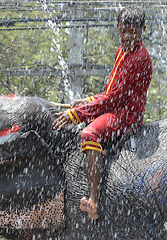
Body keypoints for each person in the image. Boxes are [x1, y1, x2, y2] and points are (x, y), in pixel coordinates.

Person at [52, 6, 152, 220]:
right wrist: (88, 101)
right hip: (117, 105)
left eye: (133, 32)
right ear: (117, 27)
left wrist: (78, 114)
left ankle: (93, 201)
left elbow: (115, 99)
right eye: (123, 31)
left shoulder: (139, 58)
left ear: (142, 29)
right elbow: (111, 91)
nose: (127, 37)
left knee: (88, 134)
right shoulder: (122, 51)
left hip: (127, 114)